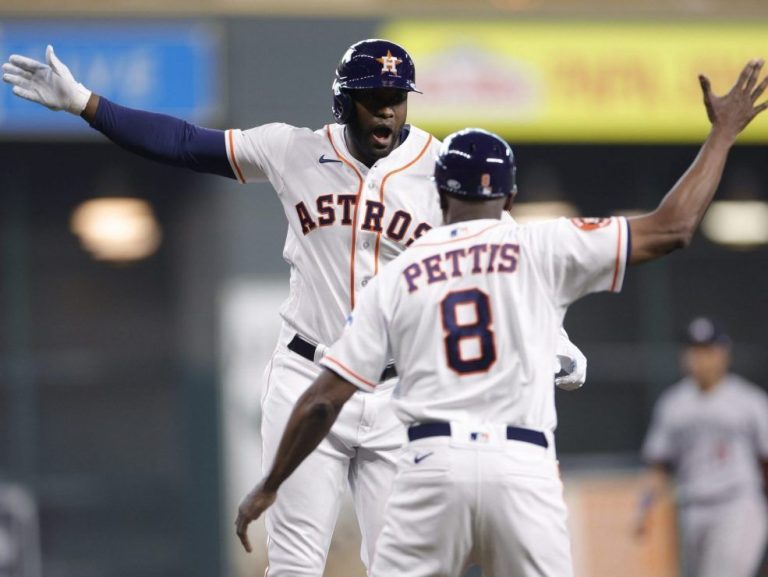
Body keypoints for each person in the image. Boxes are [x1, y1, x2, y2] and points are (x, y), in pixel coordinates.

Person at [2, 39, 586, 575]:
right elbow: (185, 143)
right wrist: (85, 104)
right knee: (295, 564)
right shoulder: (294, 150)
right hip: (311, 375)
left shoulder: (442, 171)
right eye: (372, 98)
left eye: (397, 99)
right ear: (344, 102)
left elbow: (509, 258)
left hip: (402, 393)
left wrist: (555, 341)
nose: (386, 111)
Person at [232, 58, 768, 577]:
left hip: (432, 462)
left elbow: (325, 395)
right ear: (510, 196)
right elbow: (671, 228)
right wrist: (722, 135)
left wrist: (270, 482)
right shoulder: (540, 245)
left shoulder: (401, 274)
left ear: (439, 195)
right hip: (521, 464)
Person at [635, 316, 768, 577]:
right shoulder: (673, 403)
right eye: (693, 350)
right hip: (692, 507)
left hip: (737, 503)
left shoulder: (750, 401)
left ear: (723, 354)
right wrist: (644, 505)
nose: (699, 358)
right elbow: (658, 465)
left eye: (707, 350)